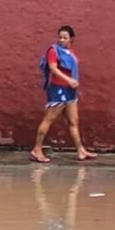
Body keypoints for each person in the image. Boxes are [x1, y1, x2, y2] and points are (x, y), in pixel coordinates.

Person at [29, 25, 97, 163]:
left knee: (74, 121)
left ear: (72, 39)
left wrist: (72, 83)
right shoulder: (53, 51)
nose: (61, 40)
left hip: (70, 91)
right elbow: (53, 69)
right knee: (49, 119)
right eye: (60, 37)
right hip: (59, 90)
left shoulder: (70, 53)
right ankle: (36, 149)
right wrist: (69, 80)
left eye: (65, 38)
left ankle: (80, 150)